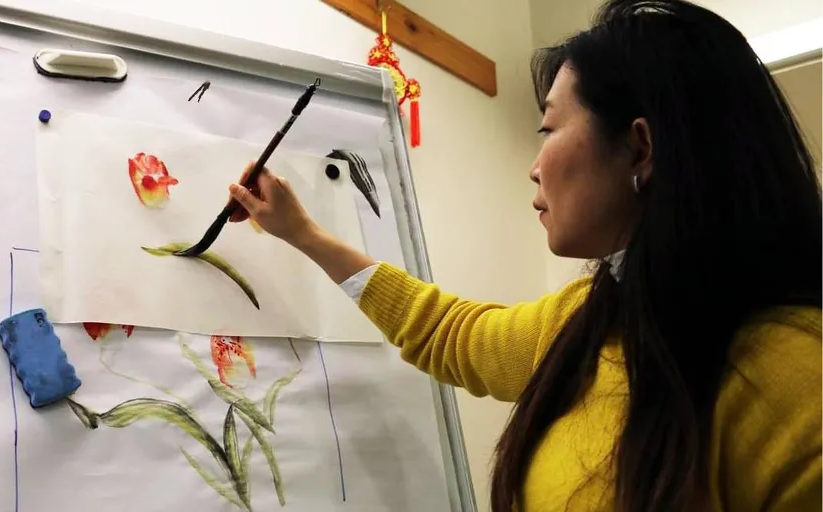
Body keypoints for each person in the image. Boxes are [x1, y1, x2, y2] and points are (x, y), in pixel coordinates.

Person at [225, 0, 822, 510]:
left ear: (640, 148)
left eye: (549, 130)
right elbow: (448, 332)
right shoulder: (588, 319)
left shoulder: (797, 383)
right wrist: (304, 234)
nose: (534, 167)